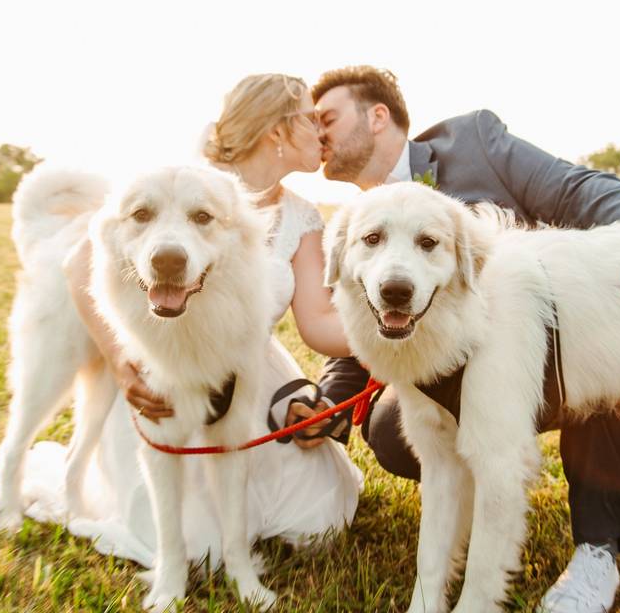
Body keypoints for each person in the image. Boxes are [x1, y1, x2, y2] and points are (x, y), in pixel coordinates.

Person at [289, 66, 620, 613]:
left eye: (328, 119)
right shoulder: (355, 221)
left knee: (601, 345)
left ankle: (597, 548)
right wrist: (330, 402)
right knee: (389, 429)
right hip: (457, 372)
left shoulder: (473, 141)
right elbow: (365, 319)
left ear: (378, 116)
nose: (318, 135)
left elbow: (575, 186)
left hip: (554, 339)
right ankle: (488, 493)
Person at [19, 74, 363, 568]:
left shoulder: (303, 217)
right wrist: (121, 361)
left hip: (250, 380)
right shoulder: (179, 182)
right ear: (278, 132)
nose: (323, 133)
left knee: (320, 520)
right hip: (160, 379)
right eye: (312, 119)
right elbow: (80, 268)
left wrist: (398, 331)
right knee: (194, 548)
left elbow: (318, 325)